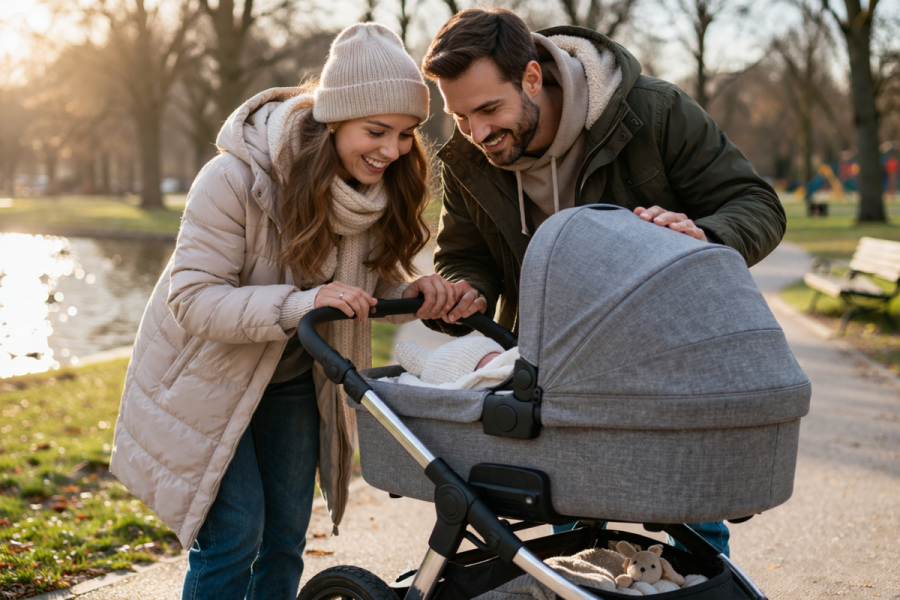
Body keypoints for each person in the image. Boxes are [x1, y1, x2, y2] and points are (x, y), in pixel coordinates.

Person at [110, 23, 461, 600]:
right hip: (207, 379)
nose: (393, 150)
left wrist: (419, 293)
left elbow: (367, 289)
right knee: (235, 534)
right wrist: (302, 304)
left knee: (285, 537)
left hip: (295, 380)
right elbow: (192, 298)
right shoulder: (235, 178)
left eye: (405, 134)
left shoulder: (372, 193)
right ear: (334, 120)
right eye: (376, 131)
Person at [421, 8, 787, 557]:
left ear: (531, 77)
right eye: (461, 116)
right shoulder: (466, 159)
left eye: (489, 109)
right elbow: (464, 257)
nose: (478, 133)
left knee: (689, 527)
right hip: (553, 375)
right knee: (570, 536)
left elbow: (756, 203)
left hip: (667, 360)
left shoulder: (654, 112)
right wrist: (465, 290)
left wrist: (705, 237)